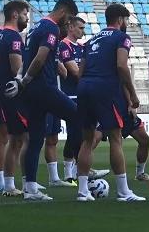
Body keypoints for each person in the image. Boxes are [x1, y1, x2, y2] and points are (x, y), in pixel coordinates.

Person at [5, 0, 82, 201]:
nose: (67, 24)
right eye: (68, 20)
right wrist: (25, 80)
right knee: (78, 116)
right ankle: (82, 170)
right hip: (44, 87)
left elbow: (28, 58)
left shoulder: (35, 27)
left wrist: (21, 80)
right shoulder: (51, 28)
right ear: (64, 12)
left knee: (36, 137)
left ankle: (30, 187)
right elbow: (39, 58)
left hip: (32, 90)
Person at [73, 3, 145, 202]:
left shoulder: (91, 40)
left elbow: (80, 72)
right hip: (105, 88)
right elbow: (122, 66)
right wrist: (132, 94)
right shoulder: (122, 38)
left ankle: (82, 191)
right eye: (126, 20)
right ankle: (123, 191)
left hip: (85, 87)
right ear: (120, 20)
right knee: (115, 138)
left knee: (87, 140)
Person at [0, 0, 29, 197]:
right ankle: (11, 183)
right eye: (25, 14)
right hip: (10, 92)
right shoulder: (14, 37)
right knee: (18, 138)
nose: (27, 18)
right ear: (15, 15)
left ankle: (0, 182)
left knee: (0, 137)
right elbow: (16, 68)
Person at [44, 16, 81, 187]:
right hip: (55, 95)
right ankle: (59, 175)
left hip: (57, 95)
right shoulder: (58, 45)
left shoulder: (78, 46)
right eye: (79, 27)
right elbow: (67, 72)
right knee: (37, 138)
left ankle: (59, 177)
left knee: (54, 138)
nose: (82, 31)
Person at [57, 15, 86, 183]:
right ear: (71, 28)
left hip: (81, 94)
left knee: (82, 133)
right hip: (69, 95)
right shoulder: (63, 45)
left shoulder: (82, 47)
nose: (83, 31)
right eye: (80, 28)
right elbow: (74, 72)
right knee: (74, 133)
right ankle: (70, 171)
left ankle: (76, 169)